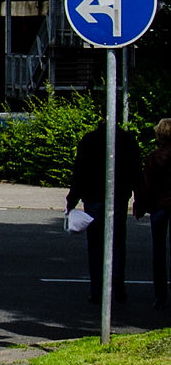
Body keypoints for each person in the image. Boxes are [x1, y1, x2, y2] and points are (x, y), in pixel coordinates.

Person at [67, 121, 143, 305]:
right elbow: (136, 171)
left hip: (93, 197)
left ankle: (96, 290)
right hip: (118, 196)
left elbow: (80, 171)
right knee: (117, 243)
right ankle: (117, 285)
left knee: (95, 245)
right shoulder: (127, 140)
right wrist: (138, 198)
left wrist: (72, 198)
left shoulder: (89, 139)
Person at [135, 118, 171, 311]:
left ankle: (160, 296)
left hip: (159, 206)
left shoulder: (154, 157)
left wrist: (140, 205)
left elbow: (146, 186)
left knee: (158, 251)